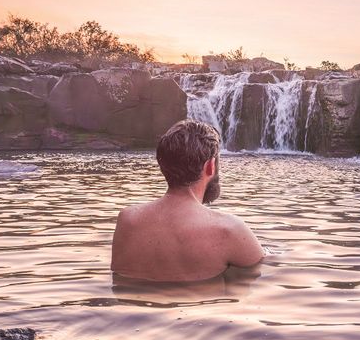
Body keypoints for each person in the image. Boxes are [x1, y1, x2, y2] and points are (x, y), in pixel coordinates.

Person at [112, 120, 264, 281]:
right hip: (201, 304)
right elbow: (263, 278)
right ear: (210, 166)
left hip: (130, 304)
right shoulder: (229, 230)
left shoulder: (127, 220)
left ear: (162, 164)